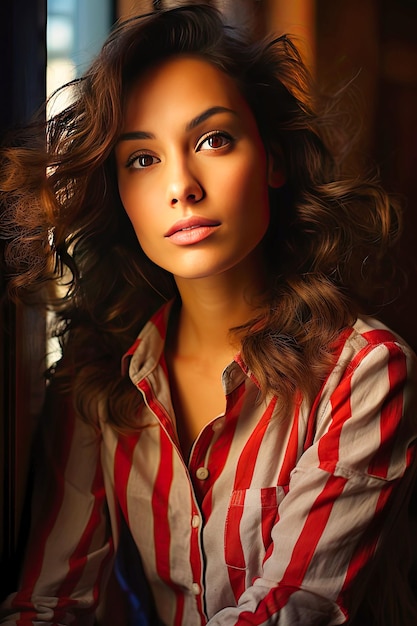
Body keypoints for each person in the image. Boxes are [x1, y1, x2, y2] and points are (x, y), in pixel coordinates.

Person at [1, 4, 417, 625]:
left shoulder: (363, 375)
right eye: (143, 159)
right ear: (120, 194)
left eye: (213, 140)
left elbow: (291, 610)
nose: (182, 186)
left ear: (273, 159)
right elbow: (48, 604)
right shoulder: (97, 383)